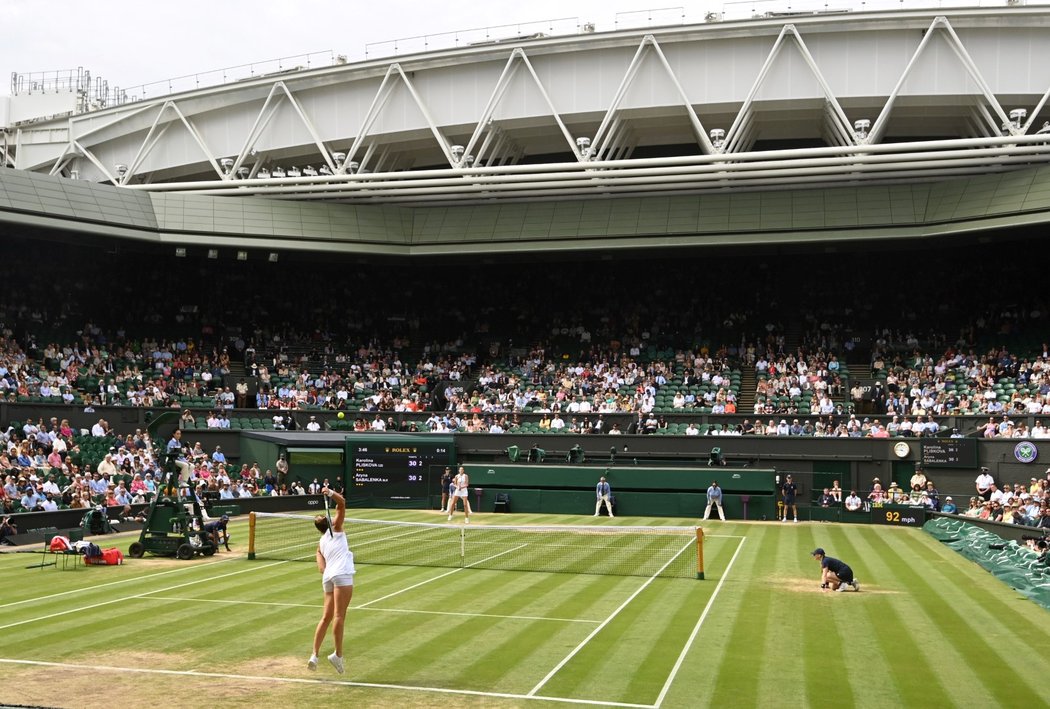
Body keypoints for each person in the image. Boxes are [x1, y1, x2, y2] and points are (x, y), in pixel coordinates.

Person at [309, 488, 355, 674]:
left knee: (326, 617)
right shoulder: (336, 528)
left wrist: (325, 566)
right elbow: (342, 503)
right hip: (341, 574)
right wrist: (329, 492)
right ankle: (338, 655)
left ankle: (314, 654)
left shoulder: (321, 542)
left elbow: (320, 562)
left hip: (328, 576)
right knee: (339, 616)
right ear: (329, 521)